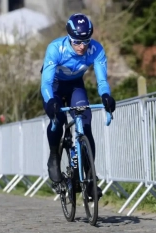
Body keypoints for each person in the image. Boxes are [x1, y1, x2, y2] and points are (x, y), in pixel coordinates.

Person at [40, 13, 116, 198]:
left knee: (86, 124)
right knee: (57, 119)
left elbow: (102, 80)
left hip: (75, 86)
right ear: (69, 38)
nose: (82, 46)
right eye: (77, 42)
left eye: (86, 41)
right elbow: (46, 83)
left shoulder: (96, 49)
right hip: (55, 87)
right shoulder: (56, 48)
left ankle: (90, 178)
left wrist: (106, 96)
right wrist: (50, 102)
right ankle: (54, 157)